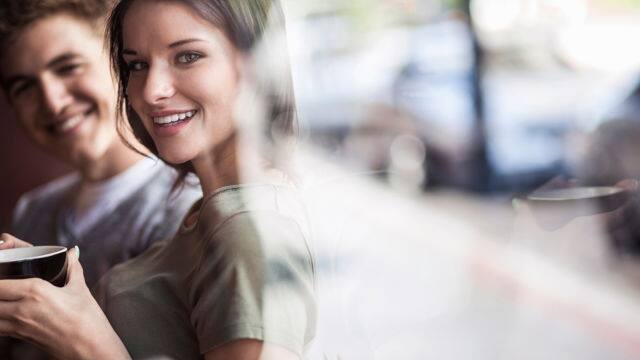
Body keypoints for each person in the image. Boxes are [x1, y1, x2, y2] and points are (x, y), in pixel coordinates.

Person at [0, 0, 316, 359]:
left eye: (188, 56)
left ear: (254, 63)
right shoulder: (209, 212)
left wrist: (82, 341)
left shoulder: (250, 229)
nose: (151, 92)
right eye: (137, 64)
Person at [0, 1, 200, 358]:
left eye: (68, 67)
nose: (52, 100)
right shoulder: (34, 210)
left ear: (120, 64)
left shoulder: (187, 211)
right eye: (25, 86)